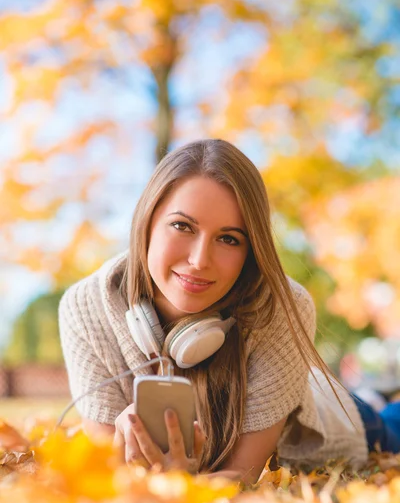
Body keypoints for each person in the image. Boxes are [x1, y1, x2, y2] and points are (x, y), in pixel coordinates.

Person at [58, 139, 400, 484]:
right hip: (302, 388)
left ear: (250, 251)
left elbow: (242, 476)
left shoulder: (281, 304)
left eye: (229, 239)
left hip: (336, 418)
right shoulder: (86, 308)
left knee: (391, 424)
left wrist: (180, 484)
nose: (199, 260)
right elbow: (108, 477)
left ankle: (377, 400)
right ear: (147, 220)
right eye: (182, 226)